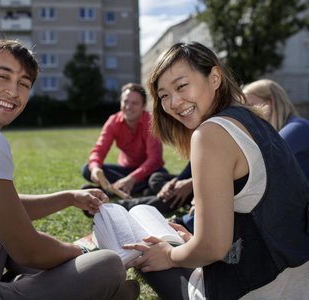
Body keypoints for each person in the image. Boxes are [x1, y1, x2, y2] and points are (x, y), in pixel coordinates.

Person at [0, 39, 139, 299]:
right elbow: (27, 251)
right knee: (109, 266)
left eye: (24, 84)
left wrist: (69, 198)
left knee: (0, 227)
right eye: (2, 77)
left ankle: (38, 282)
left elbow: (6, 206)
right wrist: (82, 251)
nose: (13, 91)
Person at [122, 42, 309, 300]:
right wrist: (195, 241)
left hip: (265, 288)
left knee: (148, 255)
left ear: (215, 77)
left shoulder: (209, 134)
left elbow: (213, 248)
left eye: (181, 86)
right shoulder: (254, 120)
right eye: (163, 95)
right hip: (299, 278)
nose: (174, 103)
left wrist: (169, 255)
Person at [81, 82, 167, 197]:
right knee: (88, 169)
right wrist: (95, 168)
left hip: (149, 171)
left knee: (157, 179)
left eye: (134, 103)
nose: (128, 107)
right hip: (125, 169)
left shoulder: (151, 122)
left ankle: (111, 190)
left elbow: (154, 159)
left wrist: (132, 179)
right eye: (125, 101)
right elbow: (99, 150)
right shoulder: (113, 121)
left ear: (143, 106)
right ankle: (135, 190)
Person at [243, 78, 309, 181]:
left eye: (250, 106)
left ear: (270, 102)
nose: (247, 113)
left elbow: (260, 166)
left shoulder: (297, 127)